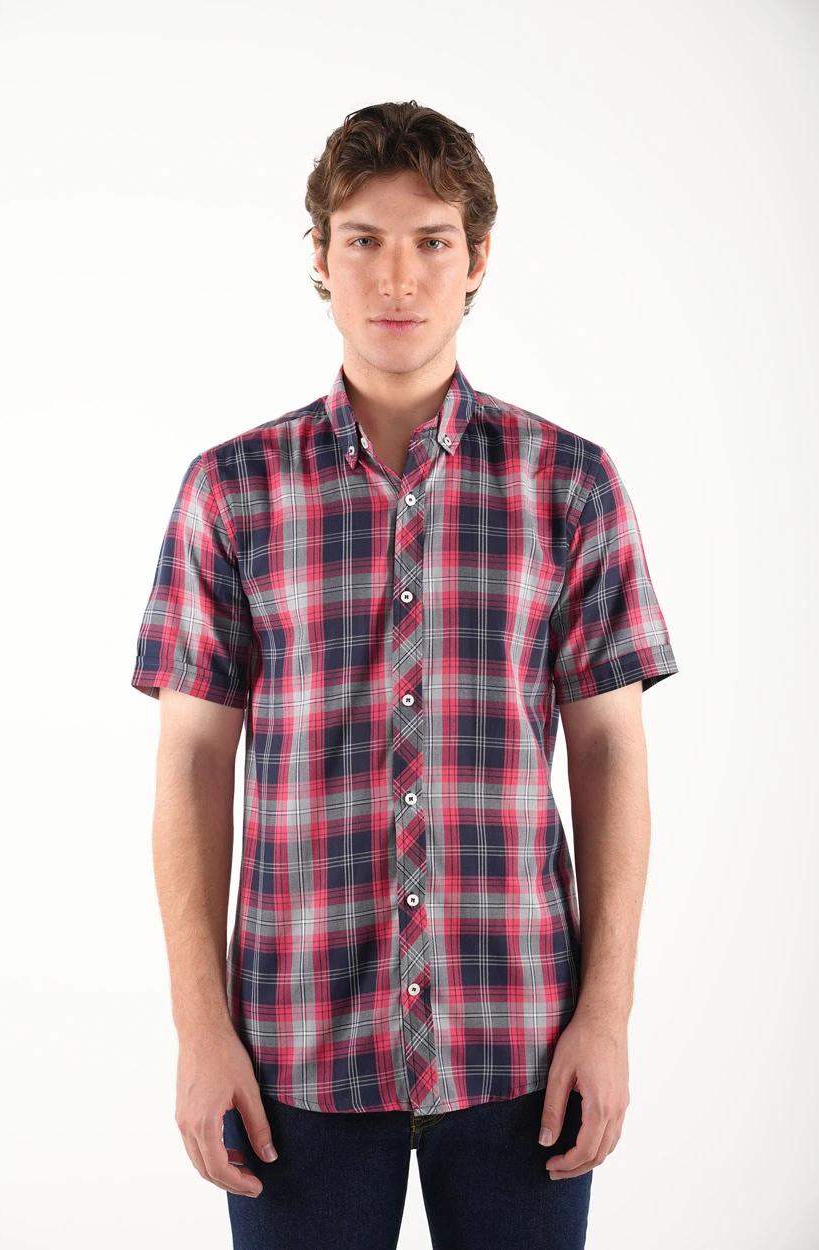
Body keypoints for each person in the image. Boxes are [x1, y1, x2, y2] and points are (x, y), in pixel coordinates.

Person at [130, 100, 679, 1250]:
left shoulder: (568, 484)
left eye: (430, 240)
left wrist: (605, 1014)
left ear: (475, 258)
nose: (396, 275)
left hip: (522, 1041)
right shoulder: (230, 490)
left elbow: (608, 752)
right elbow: (189, 764)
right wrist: (199, 1030)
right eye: (363, 239)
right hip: (291, 1052)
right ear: (319, 258)